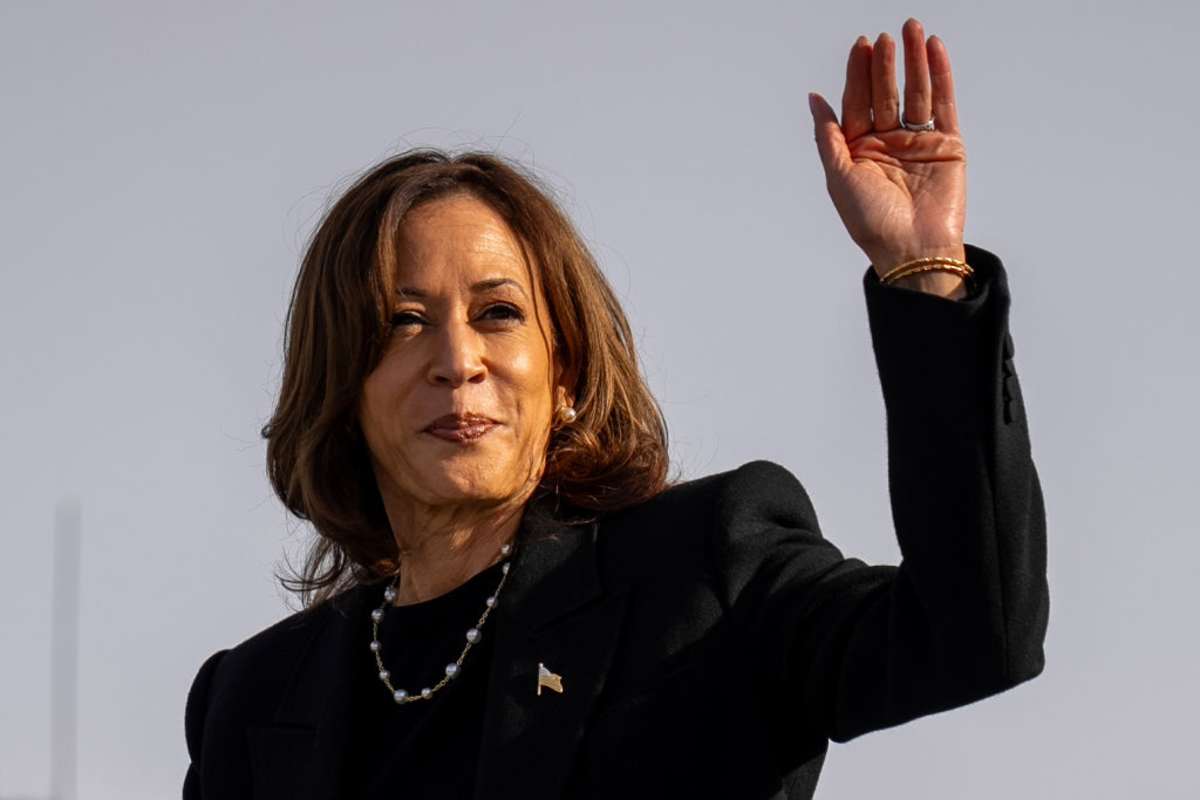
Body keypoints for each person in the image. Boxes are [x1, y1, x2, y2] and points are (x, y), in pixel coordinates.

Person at [182, 17, 1047, 799]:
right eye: (404, 322)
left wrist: (925, 277)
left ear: (565, 376)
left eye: (499, 313)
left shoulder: (705, 575)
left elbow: (973, 634)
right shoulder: (252, 699)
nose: (456, 360)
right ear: (340, 385)